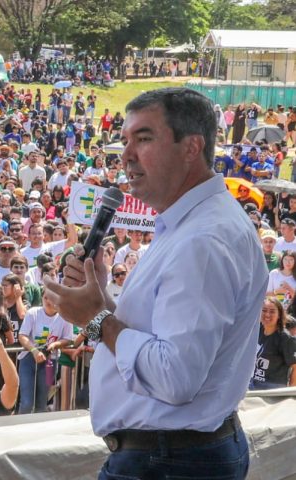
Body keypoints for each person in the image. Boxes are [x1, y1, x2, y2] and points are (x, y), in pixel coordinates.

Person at [46, 88, 266, 479]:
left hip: (170, 461)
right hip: (174, 455)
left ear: (190, 148)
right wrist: (102, 299)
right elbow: (158, 334)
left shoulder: (203, 240)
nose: (126, 154)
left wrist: (96, 320)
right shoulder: (190, 224)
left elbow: (174, 376)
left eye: (144, 138)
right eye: (125, 139)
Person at [251, 297, 296, 390]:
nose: (267, 314)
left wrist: (290, 392)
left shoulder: (285, 338)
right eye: (264, 310)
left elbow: (294, 366)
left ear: (279, 315)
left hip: (272, 388)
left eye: (272, 311)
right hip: (253, 382)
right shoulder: (257, 331)